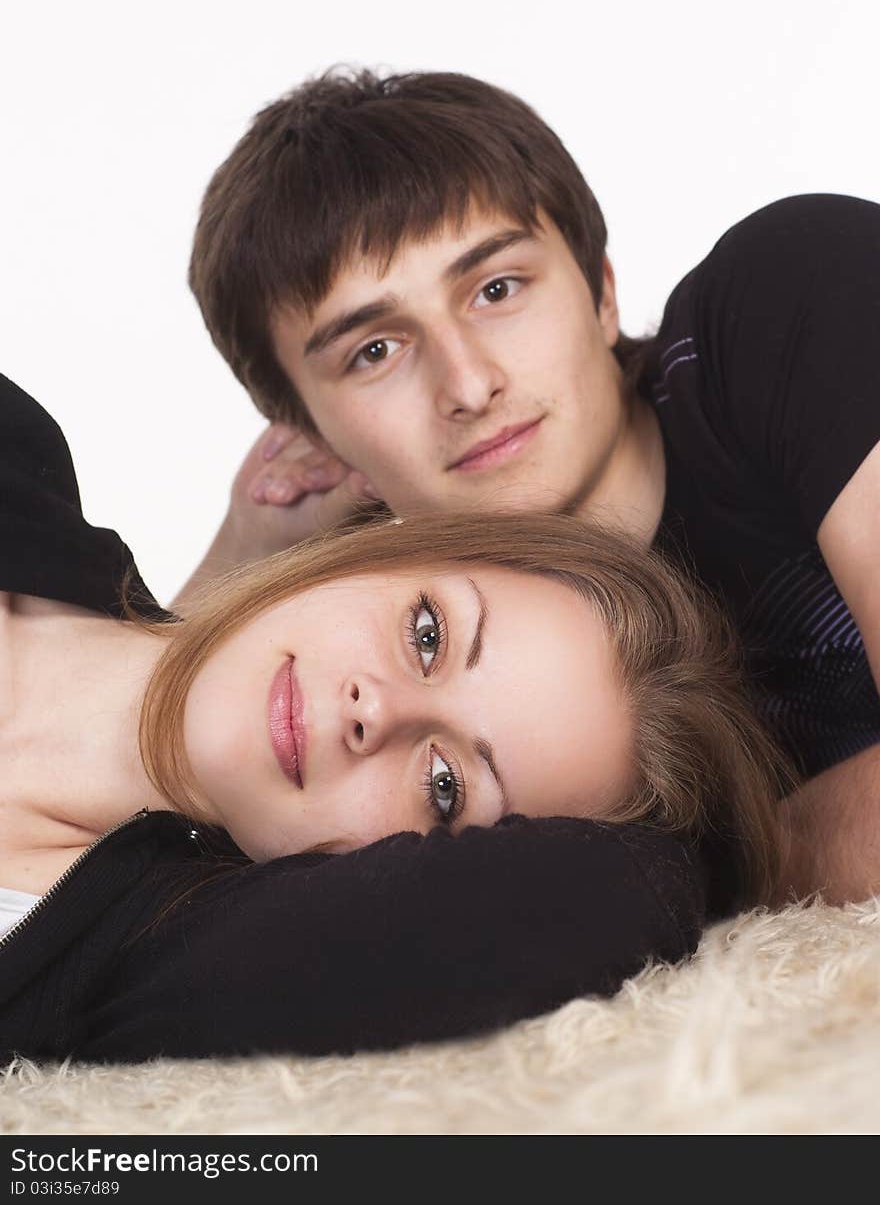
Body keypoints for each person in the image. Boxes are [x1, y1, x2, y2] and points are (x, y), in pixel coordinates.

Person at [183, 68, 880, 903]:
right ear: (318, 440)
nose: (469, 383)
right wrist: (247, 550)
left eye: (496, 289)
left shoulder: (785, 300)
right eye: (375, 350)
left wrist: (742, 867)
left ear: (603, 291)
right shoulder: (393, 686)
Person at [0, 373, 786, 1063]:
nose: (374, 710)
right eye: (428, 632)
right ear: (391, 547)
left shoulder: (141, 955)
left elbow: (607, 897)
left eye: (445, 786)